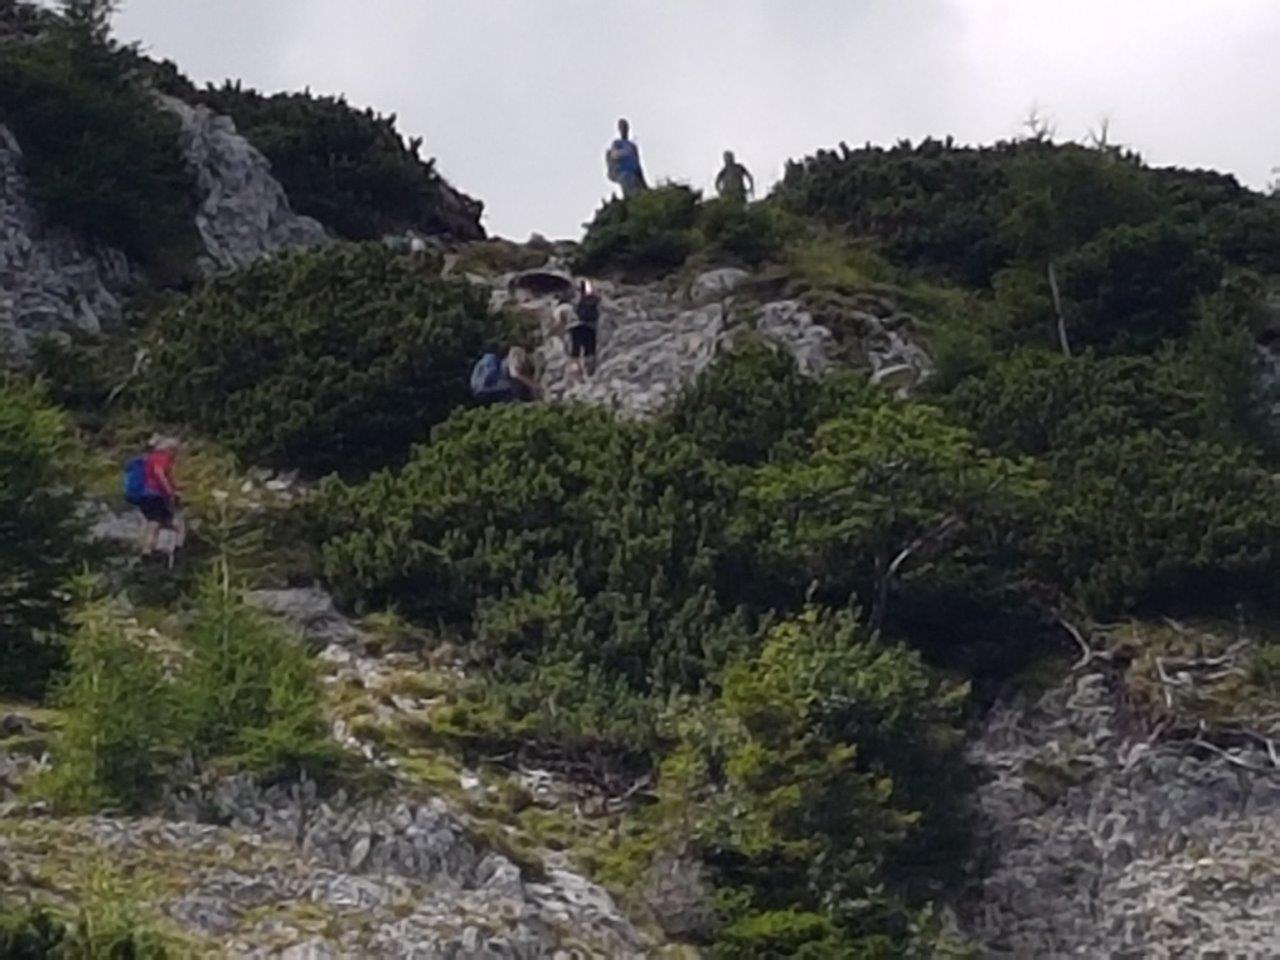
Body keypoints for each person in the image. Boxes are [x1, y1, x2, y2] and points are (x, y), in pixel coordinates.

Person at [137, 436, 186, 564]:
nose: (176, 455)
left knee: (154, 524)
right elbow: (160, 473)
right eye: (176, 451)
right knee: (178, 525)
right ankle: (178, 550)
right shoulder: (163, 458)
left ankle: (146, 553)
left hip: (145, 496)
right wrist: (170, 491)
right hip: (157, 495)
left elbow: (166, 478)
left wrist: (177, 486)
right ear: (170, 449)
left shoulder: (151, 458)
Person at [568, 280, 601, 382]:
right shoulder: (593, 299)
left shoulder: (574, 299)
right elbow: (597, 297)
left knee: (575, 353)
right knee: (589, 352)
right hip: (589, 327)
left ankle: (577, 374)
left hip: (576, 327)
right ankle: (589, 372)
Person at [606, 118, 647, 199]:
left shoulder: (632, 146)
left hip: (635, 174)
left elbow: (638, 162)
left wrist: (643, 180)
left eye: (625, 127)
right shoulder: (617, 143)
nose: (624, 129)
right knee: (630, 194)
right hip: (624, 173)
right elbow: (614, 155)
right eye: (622, 127)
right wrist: (624, 152)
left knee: (640, 194)